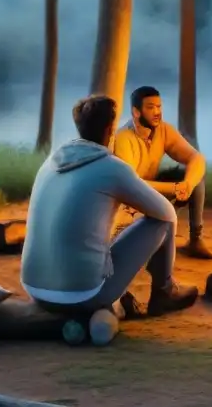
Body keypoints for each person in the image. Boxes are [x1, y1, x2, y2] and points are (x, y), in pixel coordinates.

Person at [20, 95, 198, 318]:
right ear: (109, 130)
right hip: (83, 296)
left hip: (35, 290)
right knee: (164, 219)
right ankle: (165, 292)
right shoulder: (112, 167)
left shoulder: (51, 162)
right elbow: (166, 213)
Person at [112, 86, 212, 260]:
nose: (157, 112)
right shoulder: (123, 138)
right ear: (136, 112)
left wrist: (187, 184)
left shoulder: (163, 130)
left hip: (153, 191)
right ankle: (151, 241)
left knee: (195, 177)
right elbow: (131, 183)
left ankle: (195, 240)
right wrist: (174, 188)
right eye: (151, 107)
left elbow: (196, 158)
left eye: (159, 107)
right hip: (130, 201)